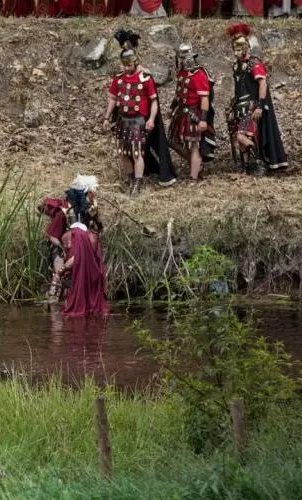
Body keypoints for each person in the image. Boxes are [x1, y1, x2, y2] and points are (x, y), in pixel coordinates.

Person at [104, 29, 176, 196]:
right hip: (123, 121)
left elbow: (153, 101)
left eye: (129, 64)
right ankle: (130, 179)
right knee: (123, 153)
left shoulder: (145, 77)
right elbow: (113, 99)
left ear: (135, 61)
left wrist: (151, 119)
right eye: (124, 64)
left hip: (138, 121)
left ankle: (138, 182)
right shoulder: (119, 78)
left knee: (137, 153)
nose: (126, 67)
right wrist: (107, 117)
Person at [226, 23, 288, 176]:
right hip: (240, 106)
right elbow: (240, 88)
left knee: (242, 135)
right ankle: (246, 165)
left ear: (246, 47)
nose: (236, 52)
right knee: (239, 137)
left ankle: (259, 162)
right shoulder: (236, 66)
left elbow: (262, 83)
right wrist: (232, 105)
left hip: (251, 106)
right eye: (235, 49)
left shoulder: (255, 63)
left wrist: (260, 105)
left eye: (239, 49)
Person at [168, 43, 217, 182]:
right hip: (181, 112)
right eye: (180, 58)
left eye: (184, 58)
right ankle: (197, 164)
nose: (182, 61)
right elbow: (178, 94)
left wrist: (203, 119)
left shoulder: (199, 74)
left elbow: (205, 99)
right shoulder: (182, 73)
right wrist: (172, 109)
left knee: (194, 145)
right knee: (172, 141)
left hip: (194, 114)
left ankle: (193, 177)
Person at [58, 195, 109, 318]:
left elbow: (77, 258)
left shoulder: (74, 235)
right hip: (94, 275)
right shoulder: (93, 234)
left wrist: (63, 268)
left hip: (81, 275)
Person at [37, 197, 69, 301]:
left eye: (44, 211)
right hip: (70, 242)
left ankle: (54, 295)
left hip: (63, 246)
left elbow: (52, 237)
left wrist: (61, 247)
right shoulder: (63, 207)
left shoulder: (59, 215)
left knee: (58, 271)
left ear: (47, 207)